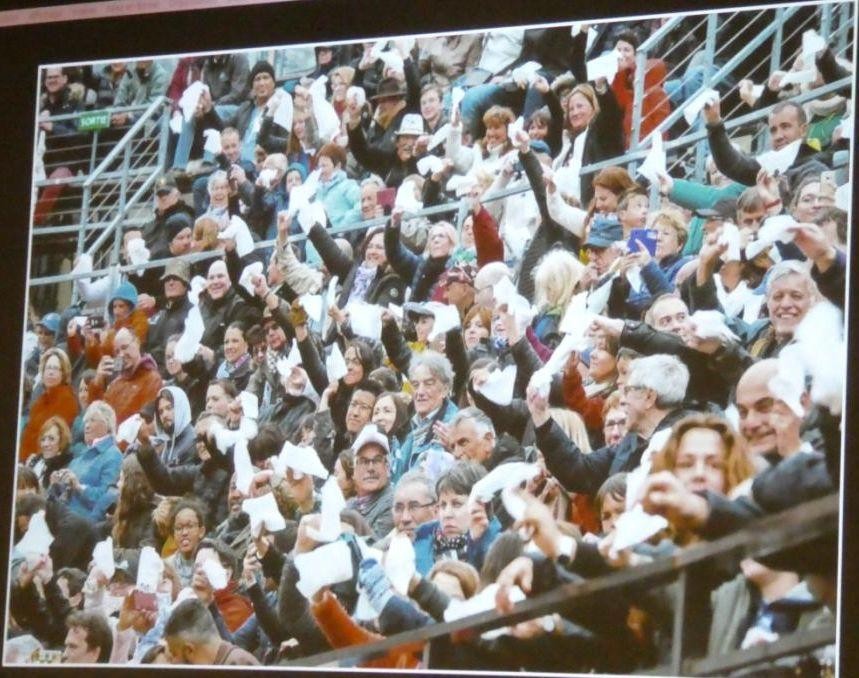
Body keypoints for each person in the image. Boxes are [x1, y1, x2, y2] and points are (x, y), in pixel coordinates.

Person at [529, 354, 691, 496]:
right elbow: (580, 471)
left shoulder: (687, 446)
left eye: (628, 391)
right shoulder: (630, 443)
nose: (622, 399)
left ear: (649, 397)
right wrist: (541, 415)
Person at [412, 460, 501, 575]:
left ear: (481, 505)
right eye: (443, 505)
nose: (447, 514)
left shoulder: (498, 549)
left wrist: (476, 545)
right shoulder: (420, 540)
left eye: (457, 504)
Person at [393, 351, 459, 481]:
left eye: (428, 384)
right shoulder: (413, 425)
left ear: (445, 389)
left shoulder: (452, 425)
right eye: (416, 385)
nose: (420, 392)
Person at [53, 400, 122, 522]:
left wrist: (79, 487)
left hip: (85, 527)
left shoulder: (113, 455)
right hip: (64, 519)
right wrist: (57, 485)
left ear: (107, 425)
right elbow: (64, 495)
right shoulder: (80, 456)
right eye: (86, 421)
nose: (87, 425)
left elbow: (106, 502)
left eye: (92, 420)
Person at [90, 328, 163, 426]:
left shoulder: (152, 379)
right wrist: (97, 382)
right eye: (117, 352)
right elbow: (96, 415)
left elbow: (144, 422)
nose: (121, 354)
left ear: (137, 342)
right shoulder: (116, 383)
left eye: (124, 347)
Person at [19, 347, 78, 461]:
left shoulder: (67, 400)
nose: (51, 372)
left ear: (64, 373)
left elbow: (54, 440)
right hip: (26, 458)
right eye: (48, 368)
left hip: (45, 459)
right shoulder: (40, 400)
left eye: (56, 368)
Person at [164, 598, 259, 665]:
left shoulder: (238, 669)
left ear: (189, 650)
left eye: (174, 654)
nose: (172, 662)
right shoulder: (220, 666)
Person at [346, 425, 395, 540]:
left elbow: (372, 548)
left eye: (377, 460)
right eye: (364, 461)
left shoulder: (393, 503)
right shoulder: (350, 504)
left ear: (387, 467)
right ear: (353, 471)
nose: (371, 468)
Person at [25, 416, 74, 489]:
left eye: (51, 439)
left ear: (62, 441)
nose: (45, 444)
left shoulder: (68, 465)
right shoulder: (35, 461)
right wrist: (26, 471)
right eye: (43, 439)